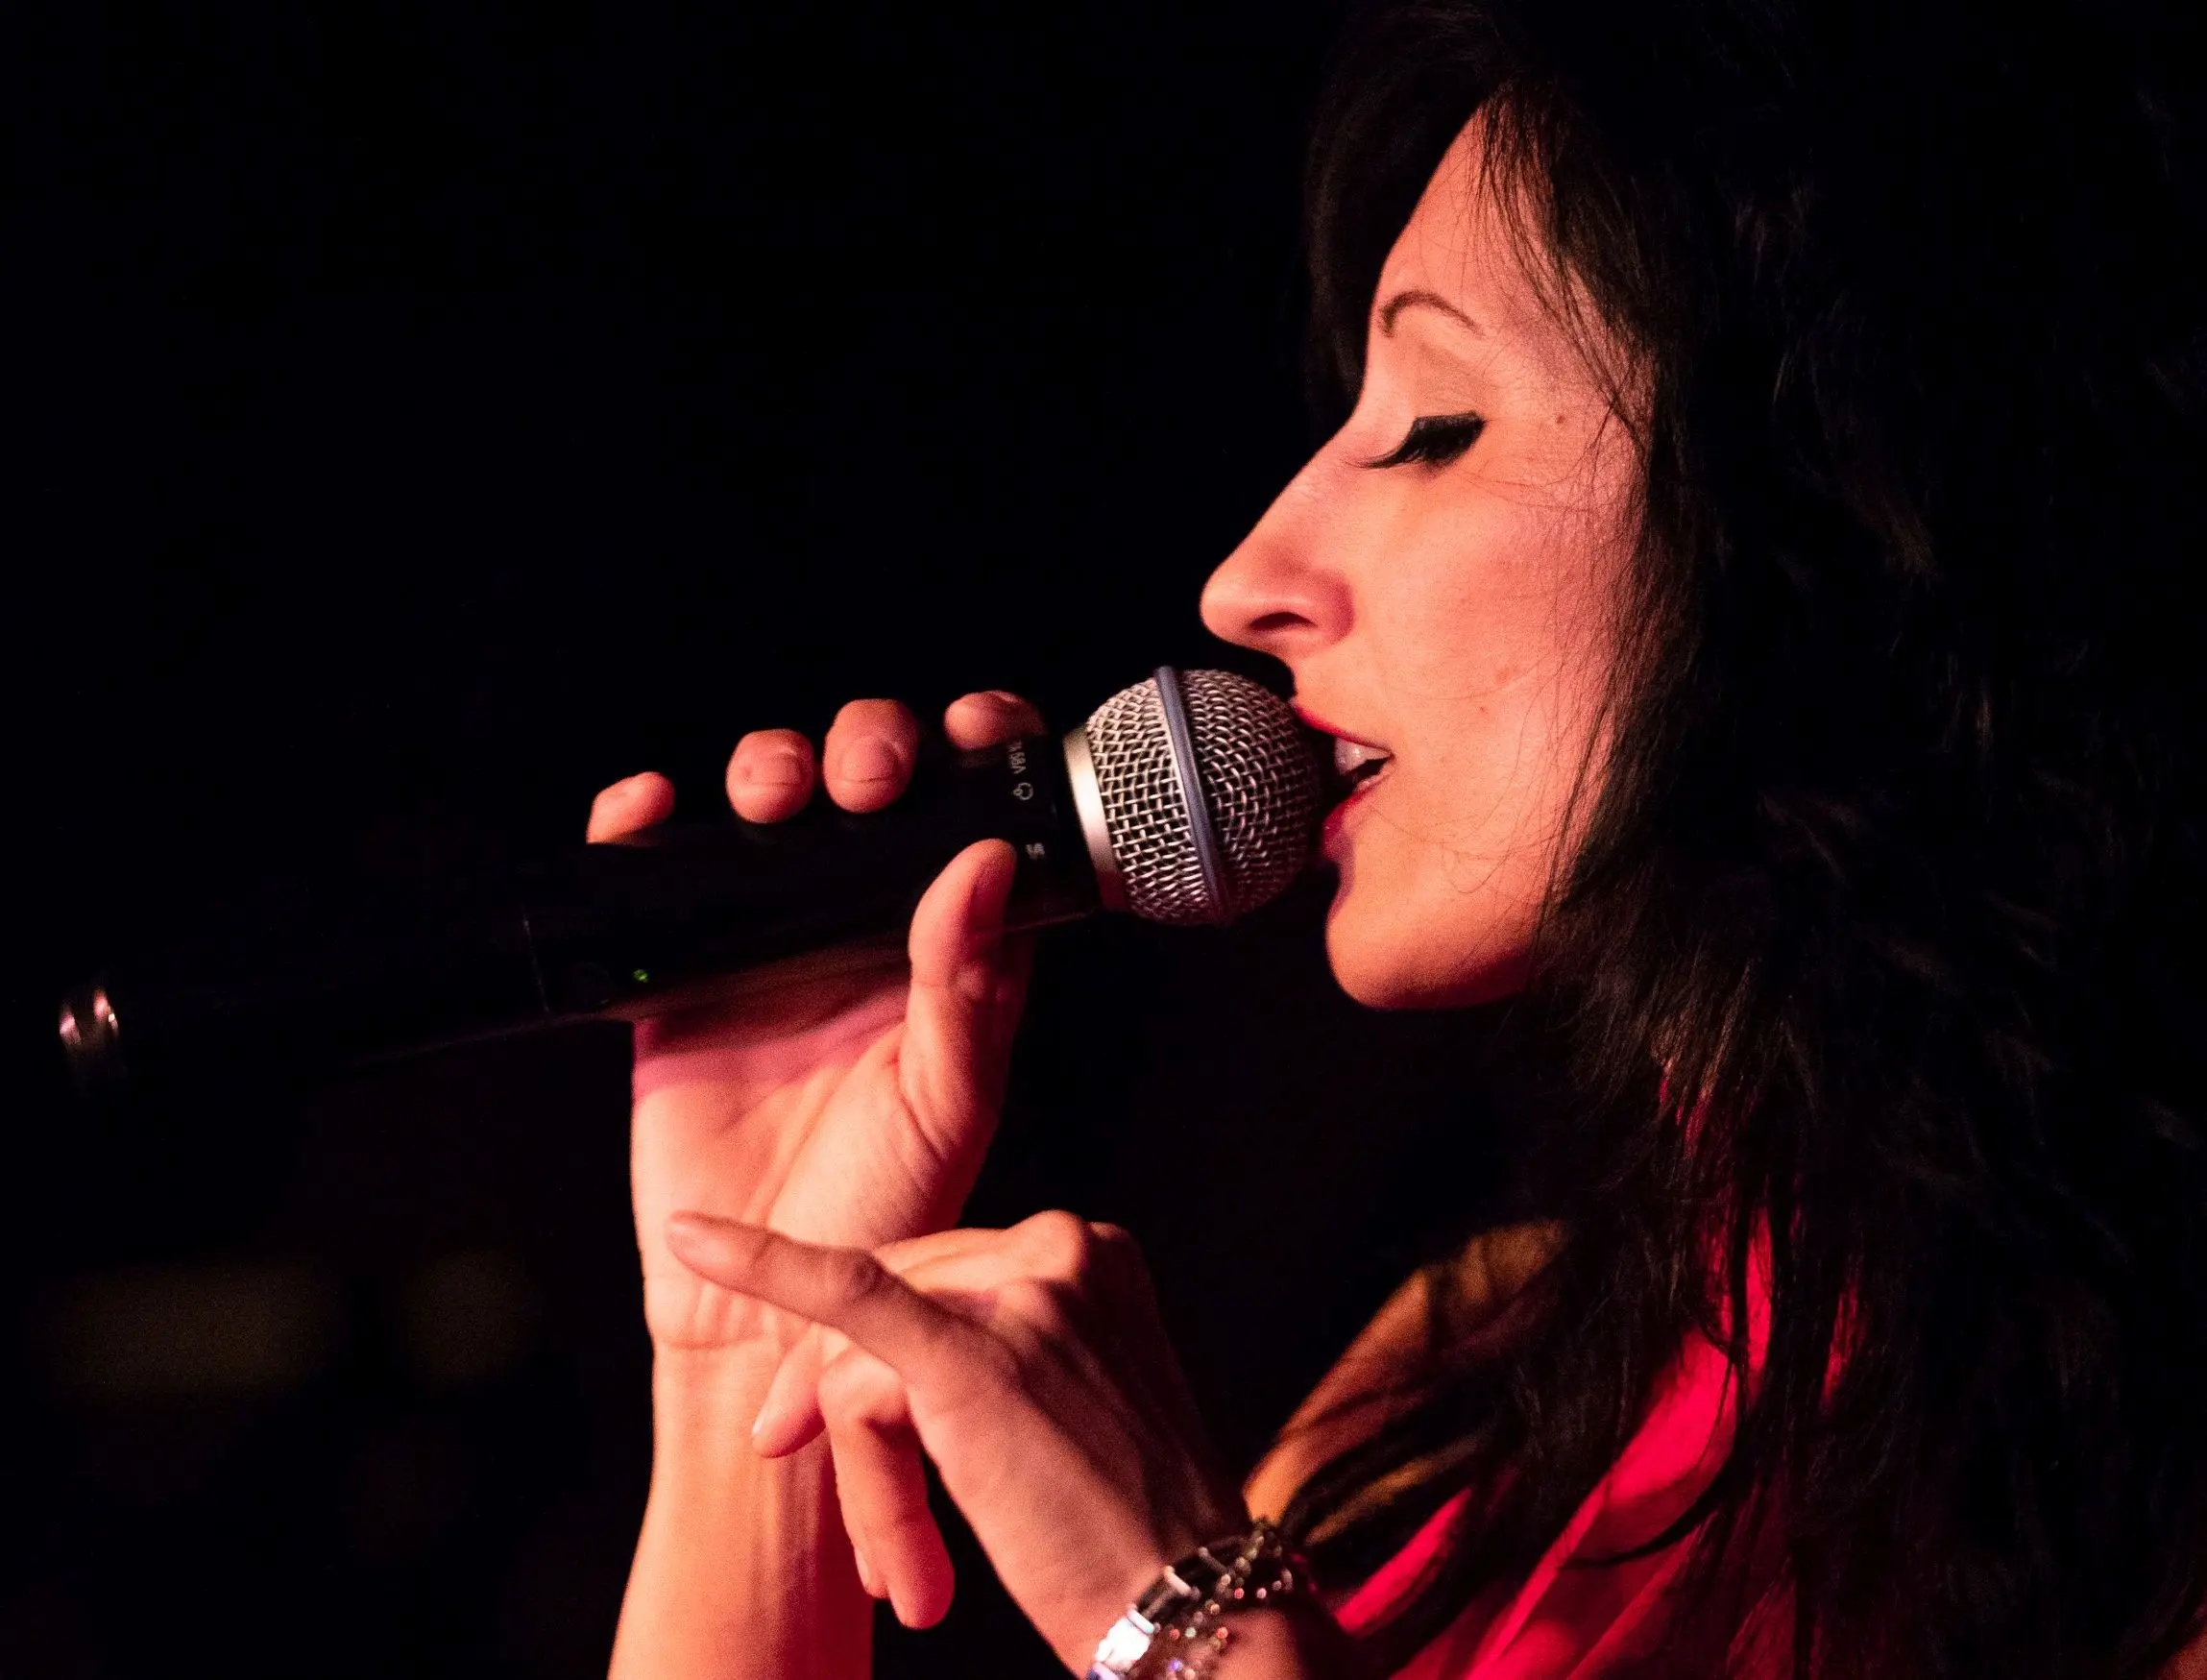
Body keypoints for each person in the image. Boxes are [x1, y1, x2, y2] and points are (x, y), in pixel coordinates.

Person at [591, 0, 2207, 1674]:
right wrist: (748, 1358)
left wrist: (1186, 1616)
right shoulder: (1460, 1377)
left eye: (1435, 427)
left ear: (1842, 514)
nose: (1242, 581)